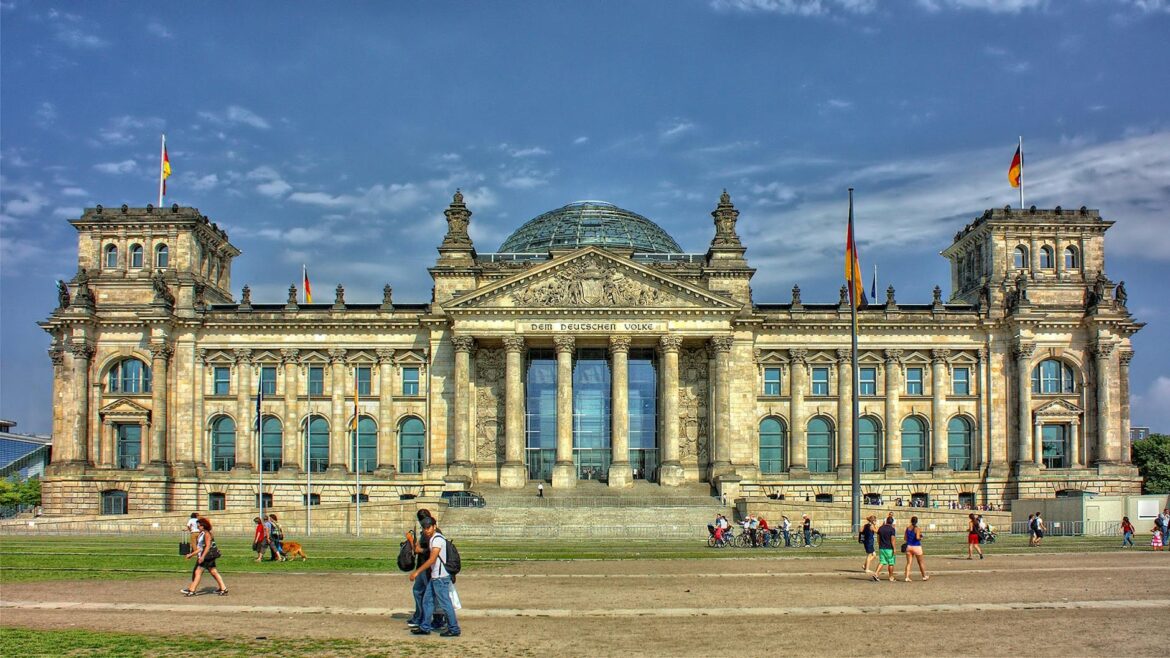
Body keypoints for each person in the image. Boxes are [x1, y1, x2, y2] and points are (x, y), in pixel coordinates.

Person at [410, 516, 461, 637]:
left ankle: (454, 629)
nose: (426, 530)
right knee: (427, 601)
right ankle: (425, 627)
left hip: (440, 577)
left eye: (428, 527)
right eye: (424, 528)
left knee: (445, 603)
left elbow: (432, 559)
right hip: (435, 577)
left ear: (434, 526)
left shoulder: (437, 539)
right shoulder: (433, 539)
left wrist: (417, 572)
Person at [406, 508, 442, 631]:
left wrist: (412, 542)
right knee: (420, 592)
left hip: (427, 568)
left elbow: (428, 551)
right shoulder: (425, 532)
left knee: (429, 595)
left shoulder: (435, 533)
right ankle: (421, 617)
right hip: (423, 566)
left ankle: (433, 619)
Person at [182, 516, 227, 596]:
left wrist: (202, 557)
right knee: (213, 572)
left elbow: (207, 546)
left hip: (207, 556)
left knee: (198, 571)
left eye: (199, 526)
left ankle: (192, 590)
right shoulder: (202, 534)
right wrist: (191, 554)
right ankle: (223, 588)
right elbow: (200, 548)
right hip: (207, 555)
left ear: (203, 526)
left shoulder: (206, 534)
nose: (198, 527)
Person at [903, 516, 928, 582]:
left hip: (909, 546)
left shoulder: (907, 528)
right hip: (916, 546)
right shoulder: (917, 529)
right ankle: (924, 576)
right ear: (917, 521)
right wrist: (921, 537)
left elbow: (905, 538)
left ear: (911, 521)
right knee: (920, 563)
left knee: (908, 563)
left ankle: (907, 577)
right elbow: (917, 538)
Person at [876, 516, 897, 582]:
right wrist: (894, 548)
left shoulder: (880, 528)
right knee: (891, 563)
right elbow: (892, 539)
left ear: (886, 521)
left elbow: (878, 538)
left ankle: (876, 573)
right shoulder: (892, 529)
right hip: (889, 548)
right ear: (892, 522)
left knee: (882, 562)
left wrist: (879, 544)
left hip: (882, 547)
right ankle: (891, 577)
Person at [860, 515, 878, 580]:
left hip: (866, 541)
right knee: (869, 555)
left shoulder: (865, 525)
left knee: (874, 555)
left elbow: (861, 530)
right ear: (873, 521)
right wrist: (875, 525)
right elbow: (877, 531)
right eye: (875, 520)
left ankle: (864, 565)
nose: (876, 521)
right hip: (869, 542)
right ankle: (867, 569)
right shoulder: (871, 526)